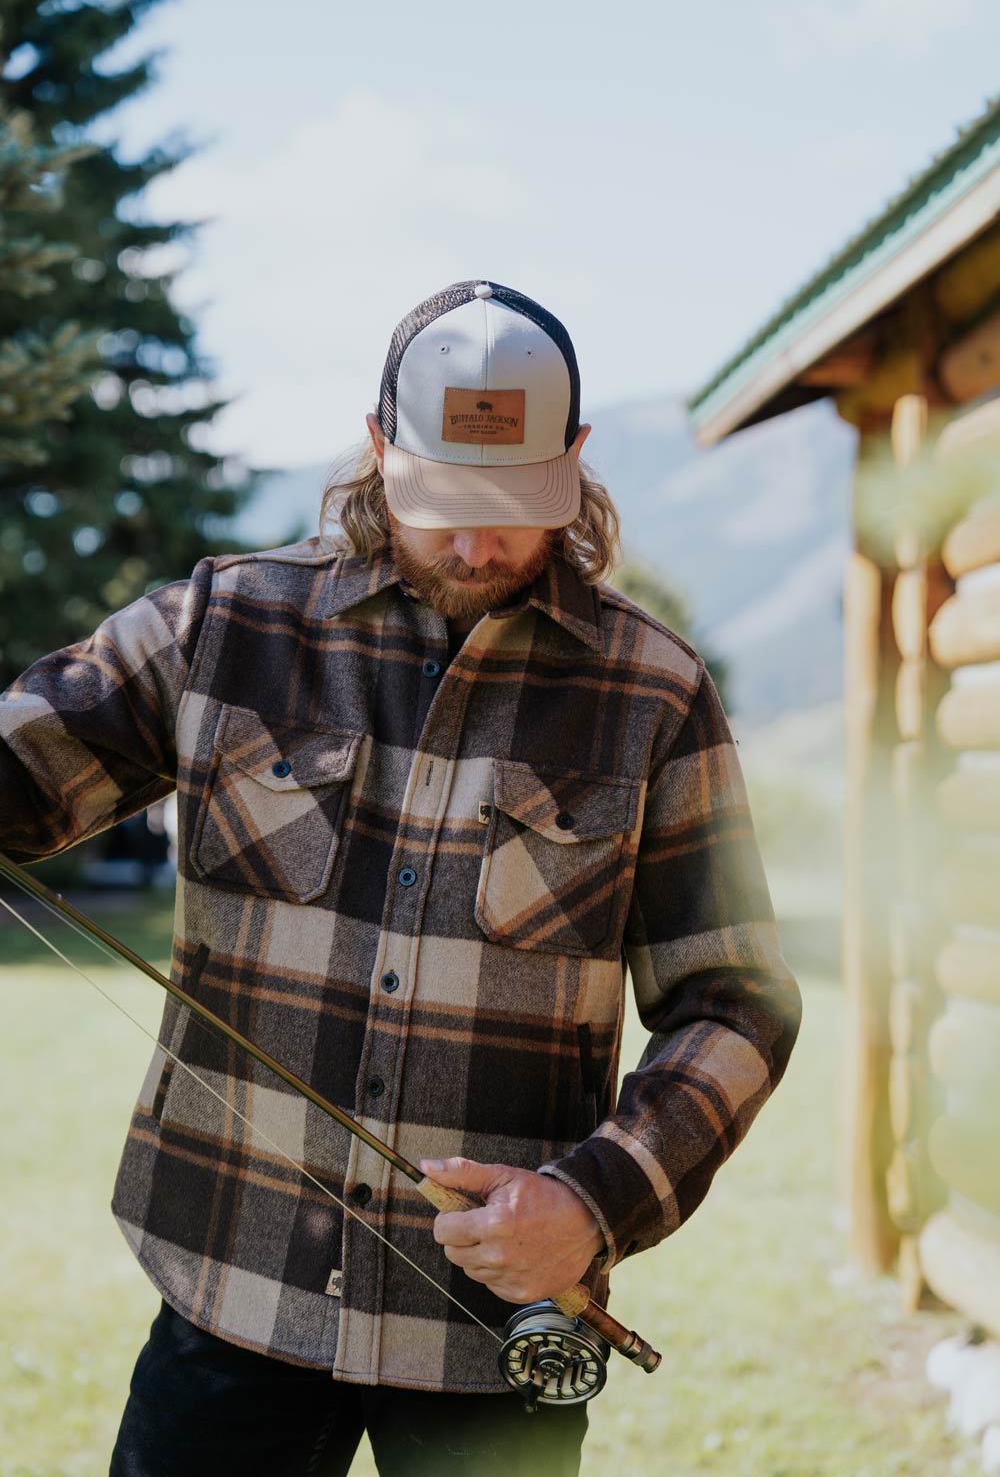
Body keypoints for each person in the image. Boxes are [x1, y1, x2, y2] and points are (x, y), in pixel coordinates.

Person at [0, 278, 802, 1476]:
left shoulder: (656, 693)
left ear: (577, 461)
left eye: (516, 507)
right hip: (232, 1294)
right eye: (447, 505)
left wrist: (595, 1203)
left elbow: (736, 999)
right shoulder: (227, 625)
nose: (480, 546)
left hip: (489, 1346)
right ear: (378, 448)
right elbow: (24, 761)